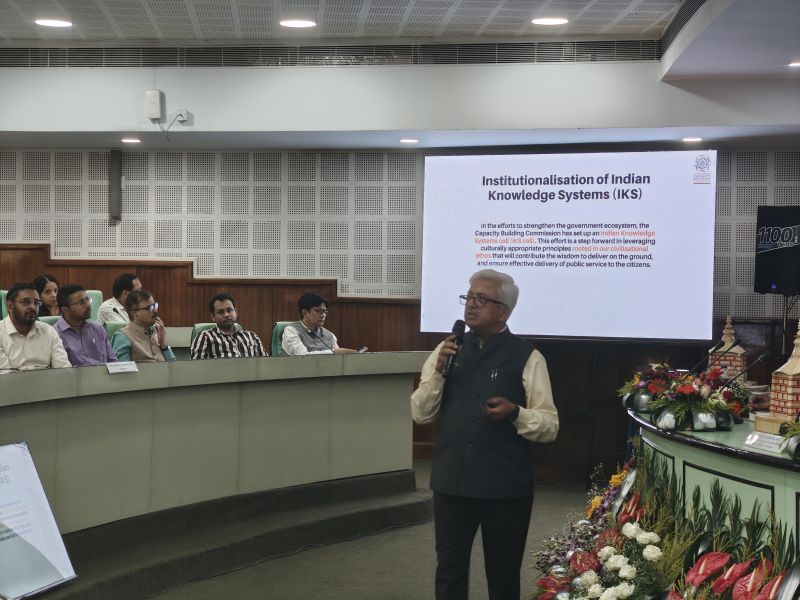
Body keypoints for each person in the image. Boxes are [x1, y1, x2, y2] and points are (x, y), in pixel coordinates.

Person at [410, 269, 559, 600]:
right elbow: (420, 413)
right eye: (469, 297)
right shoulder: (446, 350)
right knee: (449, 571)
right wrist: (438, 373)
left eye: (481, 299)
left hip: (504, 485)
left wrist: (516, 412)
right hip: (452, 481)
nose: (471, 305)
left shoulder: (528, 357)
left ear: (503, 311)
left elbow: (550, 425)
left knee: (503, 575)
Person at [0, 281, 71, 373]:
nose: (33, 307)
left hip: (47, 381)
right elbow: (5, 376)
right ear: (10, 306)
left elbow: (64, 370)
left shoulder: (48, 331)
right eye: (26, 302)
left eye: (36, 303)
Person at [190, 293, 268, 359]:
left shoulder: (252, 337)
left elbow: (265, 364)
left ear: (235, 312)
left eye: (229, 310)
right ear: (213, 317)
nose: (226, 315)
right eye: (221, 312)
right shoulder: (205, 337)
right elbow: (197, 368)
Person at [55, 284, 117, 366]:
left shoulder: (98, 329)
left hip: (103, 374)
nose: (88, 305)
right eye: (81, 302)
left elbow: (113, 362)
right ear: (65, 309)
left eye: (87, 299)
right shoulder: (55, 334)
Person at [281, 292, 357, 355]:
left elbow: (337, 357)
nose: (323, 315)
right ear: (304, 312)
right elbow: (302, 356)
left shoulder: (330, 335)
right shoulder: (291, 331)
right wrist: (333, 352)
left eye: (324, 312)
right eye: (318, 311)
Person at [110, 290, 175, 362]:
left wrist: (164, 345)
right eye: (150, 308)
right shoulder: (123, 337)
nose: (155, 311)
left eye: (155, 306)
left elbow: (173, 367)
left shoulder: (157, 332)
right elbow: (123, 368)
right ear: (135, 314)